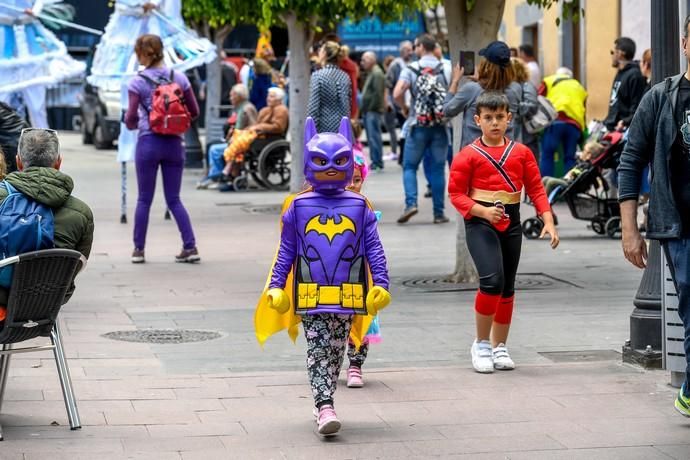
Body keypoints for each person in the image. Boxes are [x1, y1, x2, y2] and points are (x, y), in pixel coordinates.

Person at [254, 117, 390, 436]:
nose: (330, 167)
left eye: (338, 161)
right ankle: (324, 403)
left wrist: (381, 284)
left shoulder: (359, 206)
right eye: (322, 161)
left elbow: (374, 249)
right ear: (309, 163)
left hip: (348, 293)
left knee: (337, 348)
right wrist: (276, 286)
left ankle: (324, 398)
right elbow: (285, 251)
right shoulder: (298, 207)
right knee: (317, 347)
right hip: (311, 292)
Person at [448, 92, 558, 373]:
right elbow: (456, 194)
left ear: (509, 118)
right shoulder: (467, 156)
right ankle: (481, 343)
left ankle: (500, 346)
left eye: (500, 117)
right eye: (488, 118)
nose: (494, 123)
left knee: (508, 286)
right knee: (492, 281)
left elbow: (535, 188)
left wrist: (547, 218)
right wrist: (482, 211)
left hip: (511, 221)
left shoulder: (521, 153)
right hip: (480, 222)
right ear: (477, 120)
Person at [617, 14, 690, 418]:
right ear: (684, 44)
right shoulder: (661, 98)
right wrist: (630, 229)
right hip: (680, 225)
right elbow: (630, 163)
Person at [0, 128, 94, 321]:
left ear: (18, 162)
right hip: (45, 308)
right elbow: (76, 266)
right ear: (58, 162)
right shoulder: (82, 213)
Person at [124, 34, 200, 264]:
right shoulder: (179, 77)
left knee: (144, 199)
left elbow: (129, 118)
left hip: (148, 142)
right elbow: (194, 111)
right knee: (174, 199)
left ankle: (139, 250)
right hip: (175, 144)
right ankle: (190, 246)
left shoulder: (137, 82)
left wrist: (135, 123)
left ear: (142, 54)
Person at [0, 1, 86, 128]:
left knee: (37, 105)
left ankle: (42, 146)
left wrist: (35, 10)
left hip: (29, 41)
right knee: (2, 100)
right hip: (3, 41)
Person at [393, 33, 450, 225]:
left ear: (420, 48)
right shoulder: (447, 67)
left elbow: (397, 93)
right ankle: (439, 213)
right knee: (438, 169)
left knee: (409, 166)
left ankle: (411, 204)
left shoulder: (410, 69)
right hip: (440, 126)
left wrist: (404, 107)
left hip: (418, 124)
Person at [443, 41, 527, 152]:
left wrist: (455, 81)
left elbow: (447, 111)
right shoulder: (516, 89)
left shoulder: (471, 89)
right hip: (504, 156)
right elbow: (496, 88)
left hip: (475, 156)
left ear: (486, 65)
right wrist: (483, 79)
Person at [219, 86, 288, 190]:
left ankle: (230, 170)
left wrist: (259, 127)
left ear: (279, 99)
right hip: (260, 135)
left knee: (241, 142)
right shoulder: (265, 110)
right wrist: (254, 127)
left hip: (270, 138)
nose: (269, 98)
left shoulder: (281, 110)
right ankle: (232, 172)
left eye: (272, 97)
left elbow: (278, 127)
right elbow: (257, 124)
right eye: (268, 96)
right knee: (238, 139)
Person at [197, 84, 258, 189]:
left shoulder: (247, 108)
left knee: (214, 149)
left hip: (242, 140)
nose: (230, 98)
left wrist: (235, 132)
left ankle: (216, 176)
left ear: (239, 96)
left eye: (232, 96)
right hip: (235, 138)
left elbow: (253, 127)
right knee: (210, 145)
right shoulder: (239, 108)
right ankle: (212, 175)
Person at [538, 67, 588, 177]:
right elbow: (583, 110)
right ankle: (568, 187)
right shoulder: (579, 87)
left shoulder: (549, 80)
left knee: (547, 155)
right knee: (570, 157)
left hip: (555, 122)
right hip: (574, 125)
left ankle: (546, 187)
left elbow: (537, 99)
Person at [603, 37, 647, 132]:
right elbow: (616, 102)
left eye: (613, 52)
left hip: (623, 130)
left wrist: (625, 122)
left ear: (620, 53)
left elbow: (637, 106)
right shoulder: (620, 73)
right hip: (612, 128)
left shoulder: (635, 75)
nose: (612, 55)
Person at [307, 41, 352, 133]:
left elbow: (313, 108)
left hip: (323, 130)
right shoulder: (345, 76)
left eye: (321, 49)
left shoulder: (318, 76)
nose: (318, 52)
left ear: (324, 54)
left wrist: (311, 132)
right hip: (343, 129)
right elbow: (348, 104)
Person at [510, 57, 540, 160]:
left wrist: (514, 106)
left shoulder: (526, 86)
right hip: (515, 135)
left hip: (526, 136)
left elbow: (532, 106)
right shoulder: (509, 87)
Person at [360, 52, 386, 171]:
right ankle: (375, 161)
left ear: (371, 60)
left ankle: (377, 162)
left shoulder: (377, 73)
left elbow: (377, 94)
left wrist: (371, 107)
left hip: (373, 111)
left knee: (374, 137)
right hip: (369, 110)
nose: (362, 63)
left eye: (364, 60)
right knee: (371, 137)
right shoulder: (373, 73)